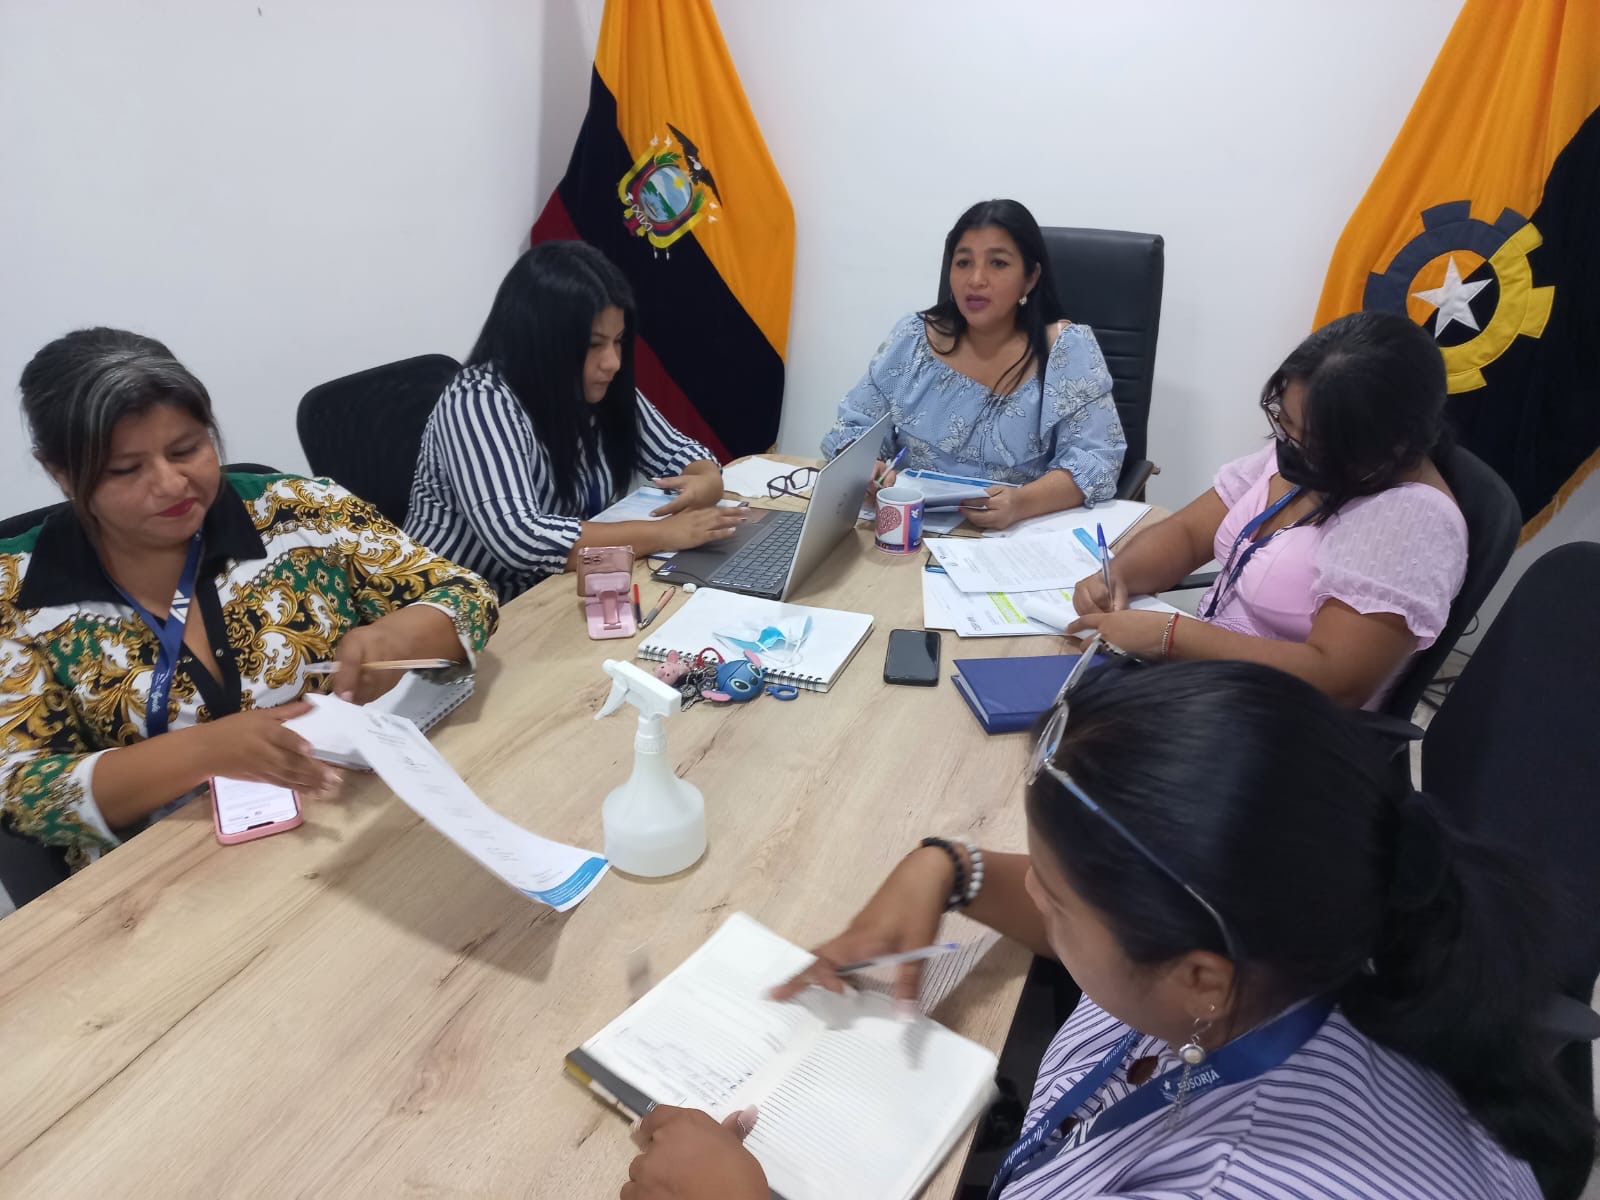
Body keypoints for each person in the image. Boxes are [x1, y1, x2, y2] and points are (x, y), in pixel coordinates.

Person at [619, 659, 1589, 1199]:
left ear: (1200, 977)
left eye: (1052, 894)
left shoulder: (1237, 1179)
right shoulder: (1301, 936)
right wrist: (946, 867)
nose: (1027, 894)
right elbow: (1104, 932)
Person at [0, 328, 499, 886]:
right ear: (60, 472)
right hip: (170, 886)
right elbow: (20, 790)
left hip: (358, 829)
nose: (171, 483)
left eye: (186, 449)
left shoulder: (301, 511)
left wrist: (402, 637)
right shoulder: (14, 595)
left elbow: (465, 592)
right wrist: (201, 752)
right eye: (125, 469)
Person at [1069, 311, 1466, 709]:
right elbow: (1188, 534)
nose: (1288, 444)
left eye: (1312, 441)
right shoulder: (1307, 454)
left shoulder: (1412, 519)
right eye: (1285, 421)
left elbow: (1337, 680)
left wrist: (1172, 637)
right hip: (1208, 681)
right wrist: (1119, 575)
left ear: (1385, 443)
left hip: (1278, 719)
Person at [405, 241, 746, 600]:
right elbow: (521, 539)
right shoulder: (479, 400)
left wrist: (708, 480)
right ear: (541, 340)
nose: (612, 362)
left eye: (618, 341)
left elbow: (678, 451)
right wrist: (664, 534)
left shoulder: (595, 386)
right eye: (594, 344)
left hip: (553, 589)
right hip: (455, 606)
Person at [821, 199, 1126, 530]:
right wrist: (869, 467)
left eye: (998, 263)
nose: (976, 279)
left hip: (1013, 535)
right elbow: (852, 428)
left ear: (1030, 278)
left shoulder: (1064, 349)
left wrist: (1021, 503)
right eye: (963, 262)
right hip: (906, 530)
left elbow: (1097, 460)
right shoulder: (913, 339)